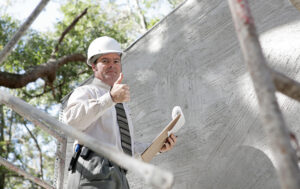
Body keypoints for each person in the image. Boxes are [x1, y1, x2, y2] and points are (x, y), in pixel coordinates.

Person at [64, 36, 177, 189]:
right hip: (94, 169)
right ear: (94, 66)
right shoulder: (86, 91)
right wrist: (110, 98)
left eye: (116, 61)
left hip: (119, 175)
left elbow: (126, 149)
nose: (112, 65)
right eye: (105, 61)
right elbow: (71, 122)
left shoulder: (120, 104)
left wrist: (157, 147)